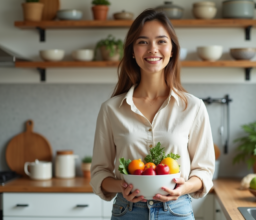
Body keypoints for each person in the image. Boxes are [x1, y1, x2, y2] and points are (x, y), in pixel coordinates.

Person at [90, 9, 215, 220]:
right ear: (132, 50)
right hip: (127, 211)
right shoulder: (111, 109)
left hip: (176, 211)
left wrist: (183, 188)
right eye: (143, 42)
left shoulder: (193, 107)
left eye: (161, 41)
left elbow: (203, 170)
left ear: (172, 50)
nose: (153, 49)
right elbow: (99, 172)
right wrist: (122, 186)